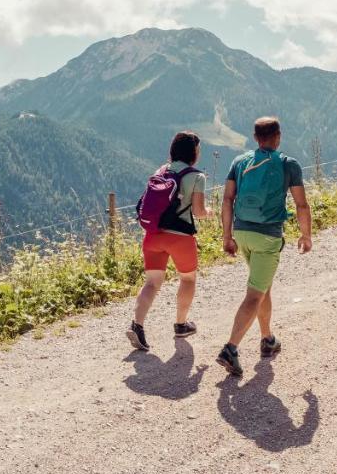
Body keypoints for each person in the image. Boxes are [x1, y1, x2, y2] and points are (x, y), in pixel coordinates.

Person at [216, 116, 312, 378]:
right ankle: (230, 349)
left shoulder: (239, 162)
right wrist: (306, 235)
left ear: (256, 138)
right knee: (254, 294)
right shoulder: (288, 164)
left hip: (242, 233)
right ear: (278, 136)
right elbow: (301, 204)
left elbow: (227, 199)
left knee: (263, 286)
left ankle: (267, 339)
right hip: (267, 237)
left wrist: (227, 236)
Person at [127, 130, 210, 353]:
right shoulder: (197, 177)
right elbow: (199, 212)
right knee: (188, 279)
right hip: (180, 238)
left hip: (153, 236)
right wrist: (210, 212)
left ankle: (137, 325)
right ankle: (181, 324)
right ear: (193, 152)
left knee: (152, 283)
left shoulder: (161, 171)